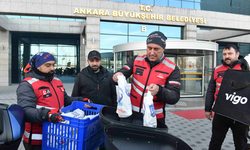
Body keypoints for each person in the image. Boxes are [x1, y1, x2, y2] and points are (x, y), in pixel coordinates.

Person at [17, 52, 85, 150]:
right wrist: (48, 114)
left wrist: (81, 100)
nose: (52, 68)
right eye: (48, 65)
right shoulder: (27, 84)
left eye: (53, 65)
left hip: (57, 136)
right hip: (37, 140)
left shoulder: (57, 81)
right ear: (37, 66)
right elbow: (25, 111)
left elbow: (66, 100)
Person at [112, 31, 181, 124]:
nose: (152, 52)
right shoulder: (136, 60)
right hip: (131, 115)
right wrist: (116, 76)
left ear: (163, 48)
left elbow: (174, 97)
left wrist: (159, 90)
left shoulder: (172, 68)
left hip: (155, 118)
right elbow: (122, 72)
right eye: (149, 48)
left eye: (156, 49)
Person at [205, 44, 249, 150]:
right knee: (215, 141)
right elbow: (211, 90)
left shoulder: (246, 68)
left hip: (240, 114)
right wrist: (208, 109)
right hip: (221, 112)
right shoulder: (217, 69)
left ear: (237, 54)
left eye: (230, 54)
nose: (227, 56)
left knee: (241, 144)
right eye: (224, 54)